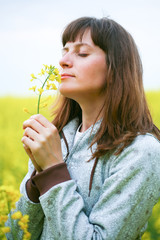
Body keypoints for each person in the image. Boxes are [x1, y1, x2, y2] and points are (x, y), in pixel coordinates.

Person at [6, 17, 160, 240]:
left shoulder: (141, 152)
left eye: (82, 53)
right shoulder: (55, 139)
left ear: (115, 67)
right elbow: (16, 234)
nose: (63, 61)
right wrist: (36, 182)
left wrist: (52, 171)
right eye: (64, 51)